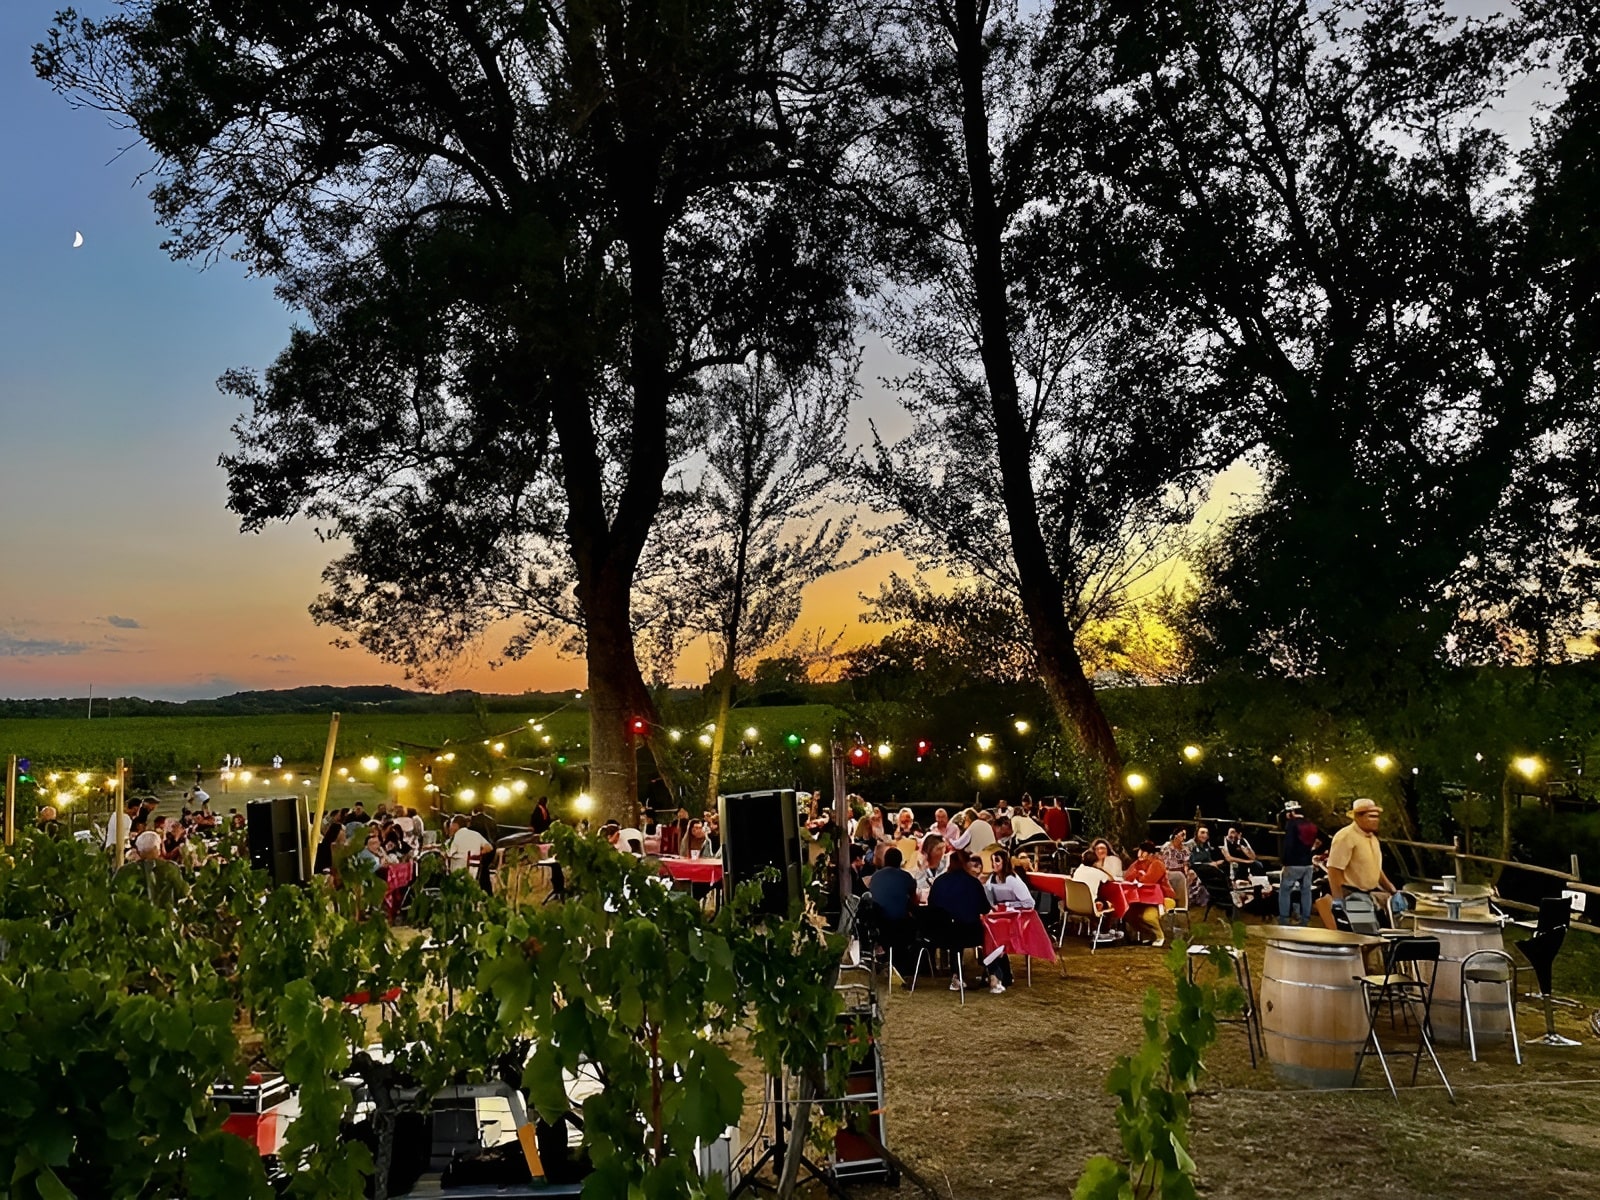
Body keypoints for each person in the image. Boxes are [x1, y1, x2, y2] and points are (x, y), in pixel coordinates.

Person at [928, 849, 1006, 993]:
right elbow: (985, 909)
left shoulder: (939, 882)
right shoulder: (973, 883)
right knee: (990, 934)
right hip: (971, 933)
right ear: (966, 864)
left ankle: (956, 976)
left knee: (954, 931)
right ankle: (994, 977)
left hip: (941, 934)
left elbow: (931, 906)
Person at [1325, 798, 1402, 921]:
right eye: (1371, 816)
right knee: (1365, 935)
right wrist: (1338, 899)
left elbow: (1376, 868)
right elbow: (1334, 869)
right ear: (1357, 817)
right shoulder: (1345, 837)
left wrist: (1392, 890)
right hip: (1352, 894)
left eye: (1377, 817)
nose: (1375, 820)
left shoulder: (1372, 838)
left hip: (1369, 894)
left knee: (1381, 931)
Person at [1123, 841, 1175, 947]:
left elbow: (1148, 881)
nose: (1139, 853)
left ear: (1150, 854)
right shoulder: (1137, 863)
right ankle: (1148, 934)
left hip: (1162, 898)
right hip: (1141, 899)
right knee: (1128, 915)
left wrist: (1138, 876)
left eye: (1142, 851)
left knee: (1148, 916)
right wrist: (1138, 874)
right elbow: (1127, 877)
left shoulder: (1157, 864)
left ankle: (1159, 935)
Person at [115, 831, 188, 905]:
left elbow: (114, 894)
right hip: (165, 914)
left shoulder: (125, 870)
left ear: (139, 851)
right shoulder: (171, 868)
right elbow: (182, 893)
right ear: (158, 849)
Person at [1279, 800, 1318, 926]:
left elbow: (1289, 845)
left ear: (1292, 812)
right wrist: (1312, 851)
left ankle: (1284, 919)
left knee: (1285, 891)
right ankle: (1305, 920)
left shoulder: (1292, 824)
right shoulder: (1311, 824)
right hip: (1307, 863)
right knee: (1306, 892)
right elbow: (1323, 839)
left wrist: (1284, 861)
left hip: (1293, 863)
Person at [1160, 827, 1208, 911]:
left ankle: (1187, 901)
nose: (1184, 838)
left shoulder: (1185, 849)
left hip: (1180, 871)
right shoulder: (1167, 847)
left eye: (1185, 835)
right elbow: (1162, 861)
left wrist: (1186, 869)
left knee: (1192, 874)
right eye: (1182, 835)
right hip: (1168, 871)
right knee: (1178, 876)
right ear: (1175, 835)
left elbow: (1186, 863)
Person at [868, 846, 918, 922]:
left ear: (885, 860)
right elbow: (914, 900)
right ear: (900, 861)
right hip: (898, 922)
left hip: (878, 921)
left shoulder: (875, 876)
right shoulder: (905, 876)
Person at [445, 815, 493, 884]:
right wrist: (477, 854)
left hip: (458, 876)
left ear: (455, 825)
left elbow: (448, 854)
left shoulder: (456, 837)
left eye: (451, 825)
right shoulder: (476, 834)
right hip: (473, 876)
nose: (449, 828)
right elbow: (489, 848)